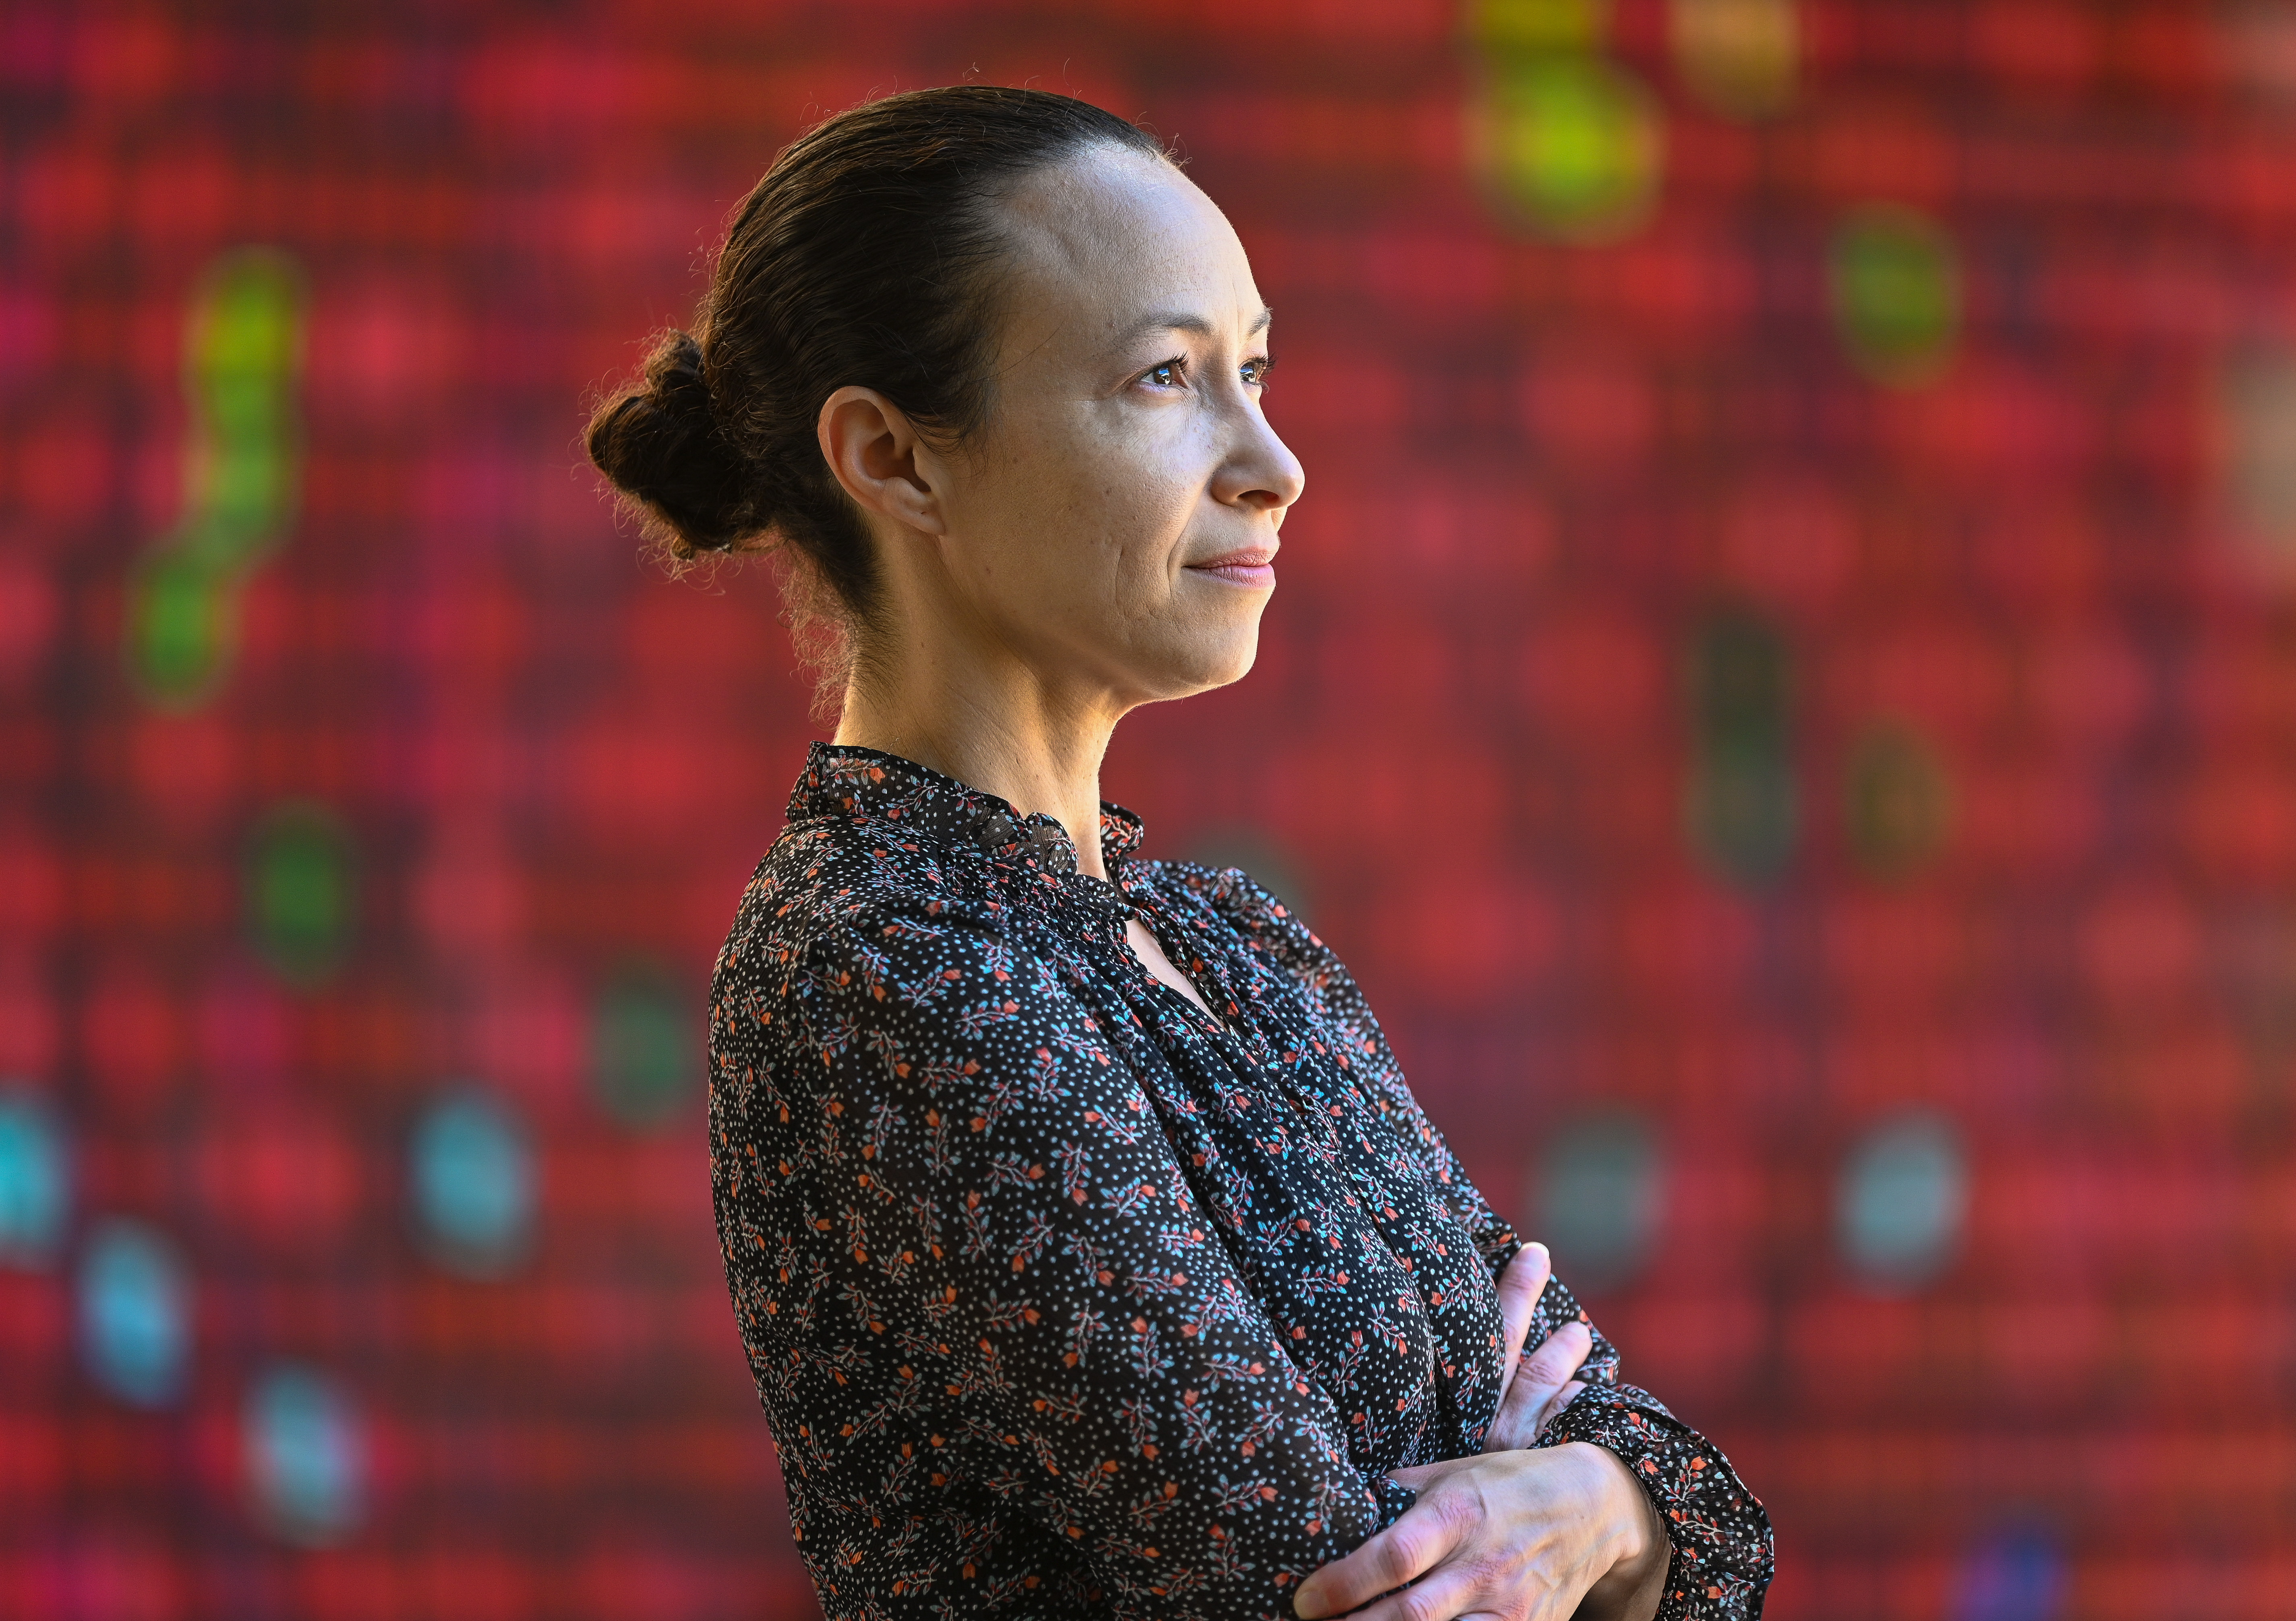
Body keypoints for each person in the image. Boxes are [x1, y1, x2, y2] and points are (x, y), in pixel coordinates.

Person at [587, 86, 1771, 1621]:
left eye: (1256, 372)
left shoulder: (1240, 946)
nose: (1273, 462)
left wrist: (1596, 1501)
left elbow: (1713, 1536)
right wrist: (1546, 1472)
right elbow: (1324, 1588)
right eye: (1166, 378)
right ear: (897, 459)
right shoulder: (882, 964)